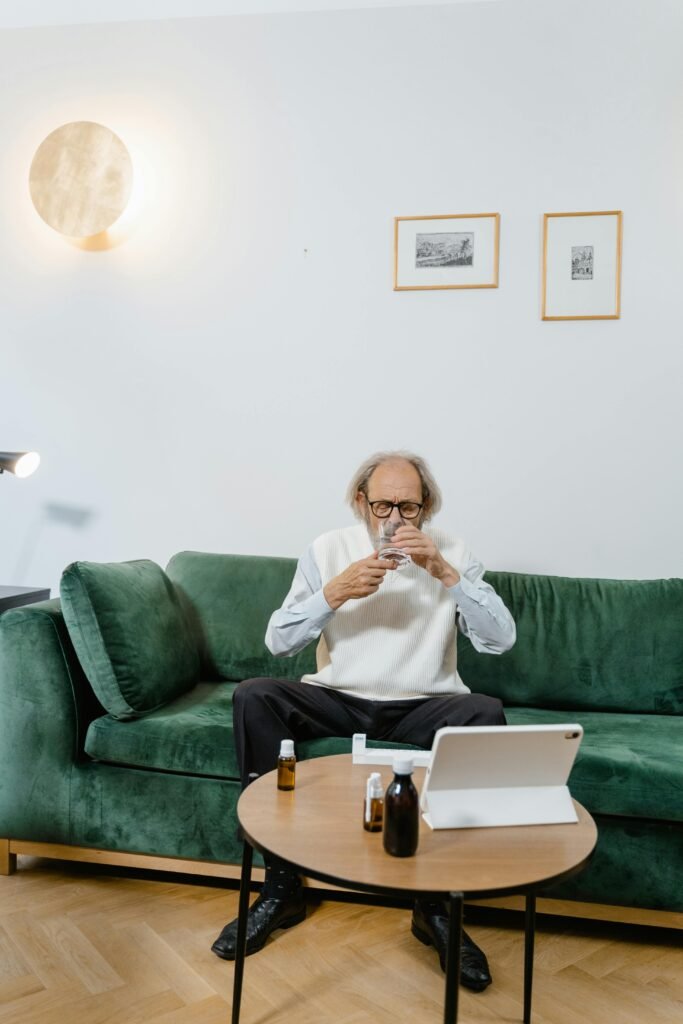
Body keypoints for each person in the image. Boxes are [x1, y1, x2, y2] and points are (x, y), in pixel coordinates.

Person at [212, 451, 516, 991]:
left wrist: (445, 573)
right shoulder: (328, 549)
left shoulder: (454, 553)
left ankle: (436, 908)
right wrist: (333, 594)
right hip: (341, 696)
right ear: (361, 502)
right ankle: (281, 889)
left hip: (424, 703)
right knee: (255, 696)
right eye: (382, 505)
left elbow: (500, 638)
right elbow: (279, 642)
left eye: (408, 507)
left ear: (426, 507)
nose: (394, 519)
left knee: (486, 712)